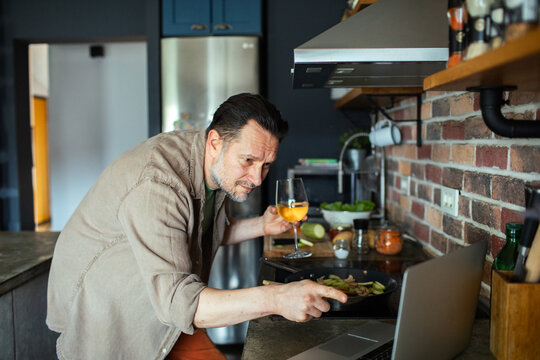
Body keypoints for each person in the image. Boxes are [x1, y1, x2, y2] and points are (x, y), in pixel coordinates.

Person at [46, 93, 347, 359]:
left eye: (266, 165)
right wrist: (278, 298)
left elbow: (201, 230)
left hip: (166, 306)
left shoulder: (213, 165)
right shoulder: (159, 184)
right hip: (111, 312)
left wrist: (262, 225)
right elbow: (179, 302)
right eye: (248, 160)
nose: (257, 178)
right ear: (216, 142)